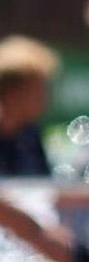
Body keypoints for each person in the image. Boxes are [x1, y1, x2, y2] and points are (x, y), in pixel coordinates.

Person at [0, 35, 59, 177]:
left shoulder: (31, 134)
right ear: (12, 93)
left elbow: (43, 181)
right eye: (37, 90)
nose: (44, 98)